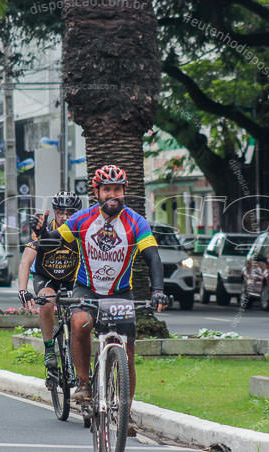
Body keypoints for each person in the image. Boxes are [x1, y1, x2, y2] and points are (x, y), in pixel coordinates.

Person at [32, 164, 168, 436]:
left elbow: (152, 256)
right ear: (97, 192)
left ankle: (126, 413)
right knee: (80, 322)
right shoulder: (83, 219)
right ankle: (83, 384)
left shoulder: (136, 222)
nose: (112, 195)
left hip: (120, 292)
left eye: (117, 189)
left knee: (127, 351)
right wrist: (39, 233)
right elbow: (54, 241)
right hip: (88, 288)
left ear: (124, 192)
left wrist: (157, 290)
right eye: (107, 190)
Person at [17, 192, 82, 369]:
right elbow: (25, 261)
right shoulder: (43, 229)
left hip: (72, 279)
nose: (64, 217)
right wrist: (23, 290)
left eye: (70, 213)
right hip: (46, 277)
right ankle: (49, 349)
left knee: (83, 313)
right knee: (46, 303)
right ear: (54, 211)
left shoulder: (81, 230)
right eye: (60, 212)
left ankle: (81, 355)